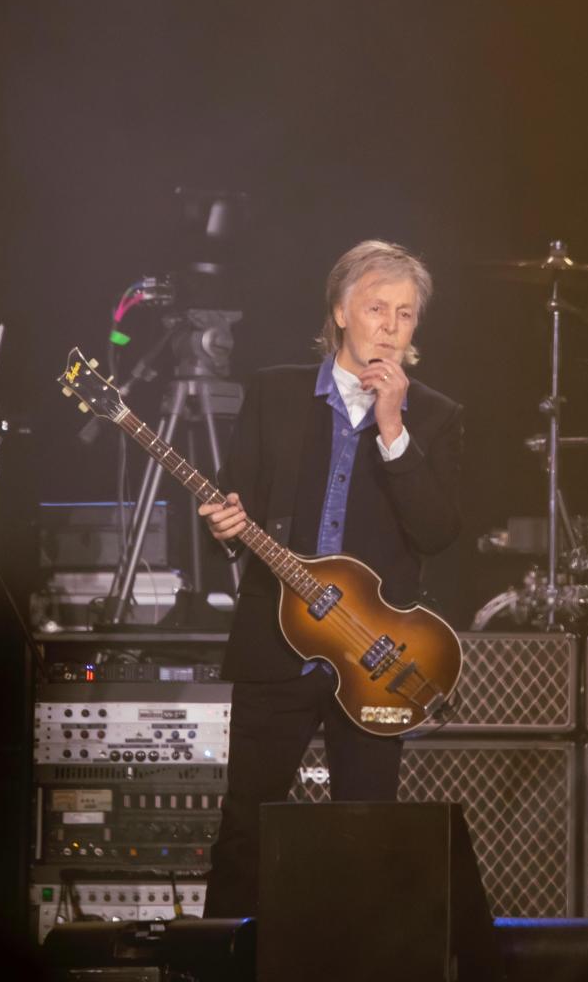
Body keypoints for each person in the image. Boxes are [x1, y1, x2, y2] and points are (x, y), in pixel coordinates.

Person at [197, 238, 463, 918]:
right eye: (376, 308)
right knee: (246, 828)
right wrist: (222, 525)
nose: (390, 327)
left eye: (406, 314)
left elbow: (435, 535)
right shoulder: (274, 392)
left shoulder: (434, 416)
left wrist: (392, 428)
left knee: (367, 837)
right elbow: (233, 500)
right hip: (273, 641)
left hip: (375, 654)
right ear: (340, 312)